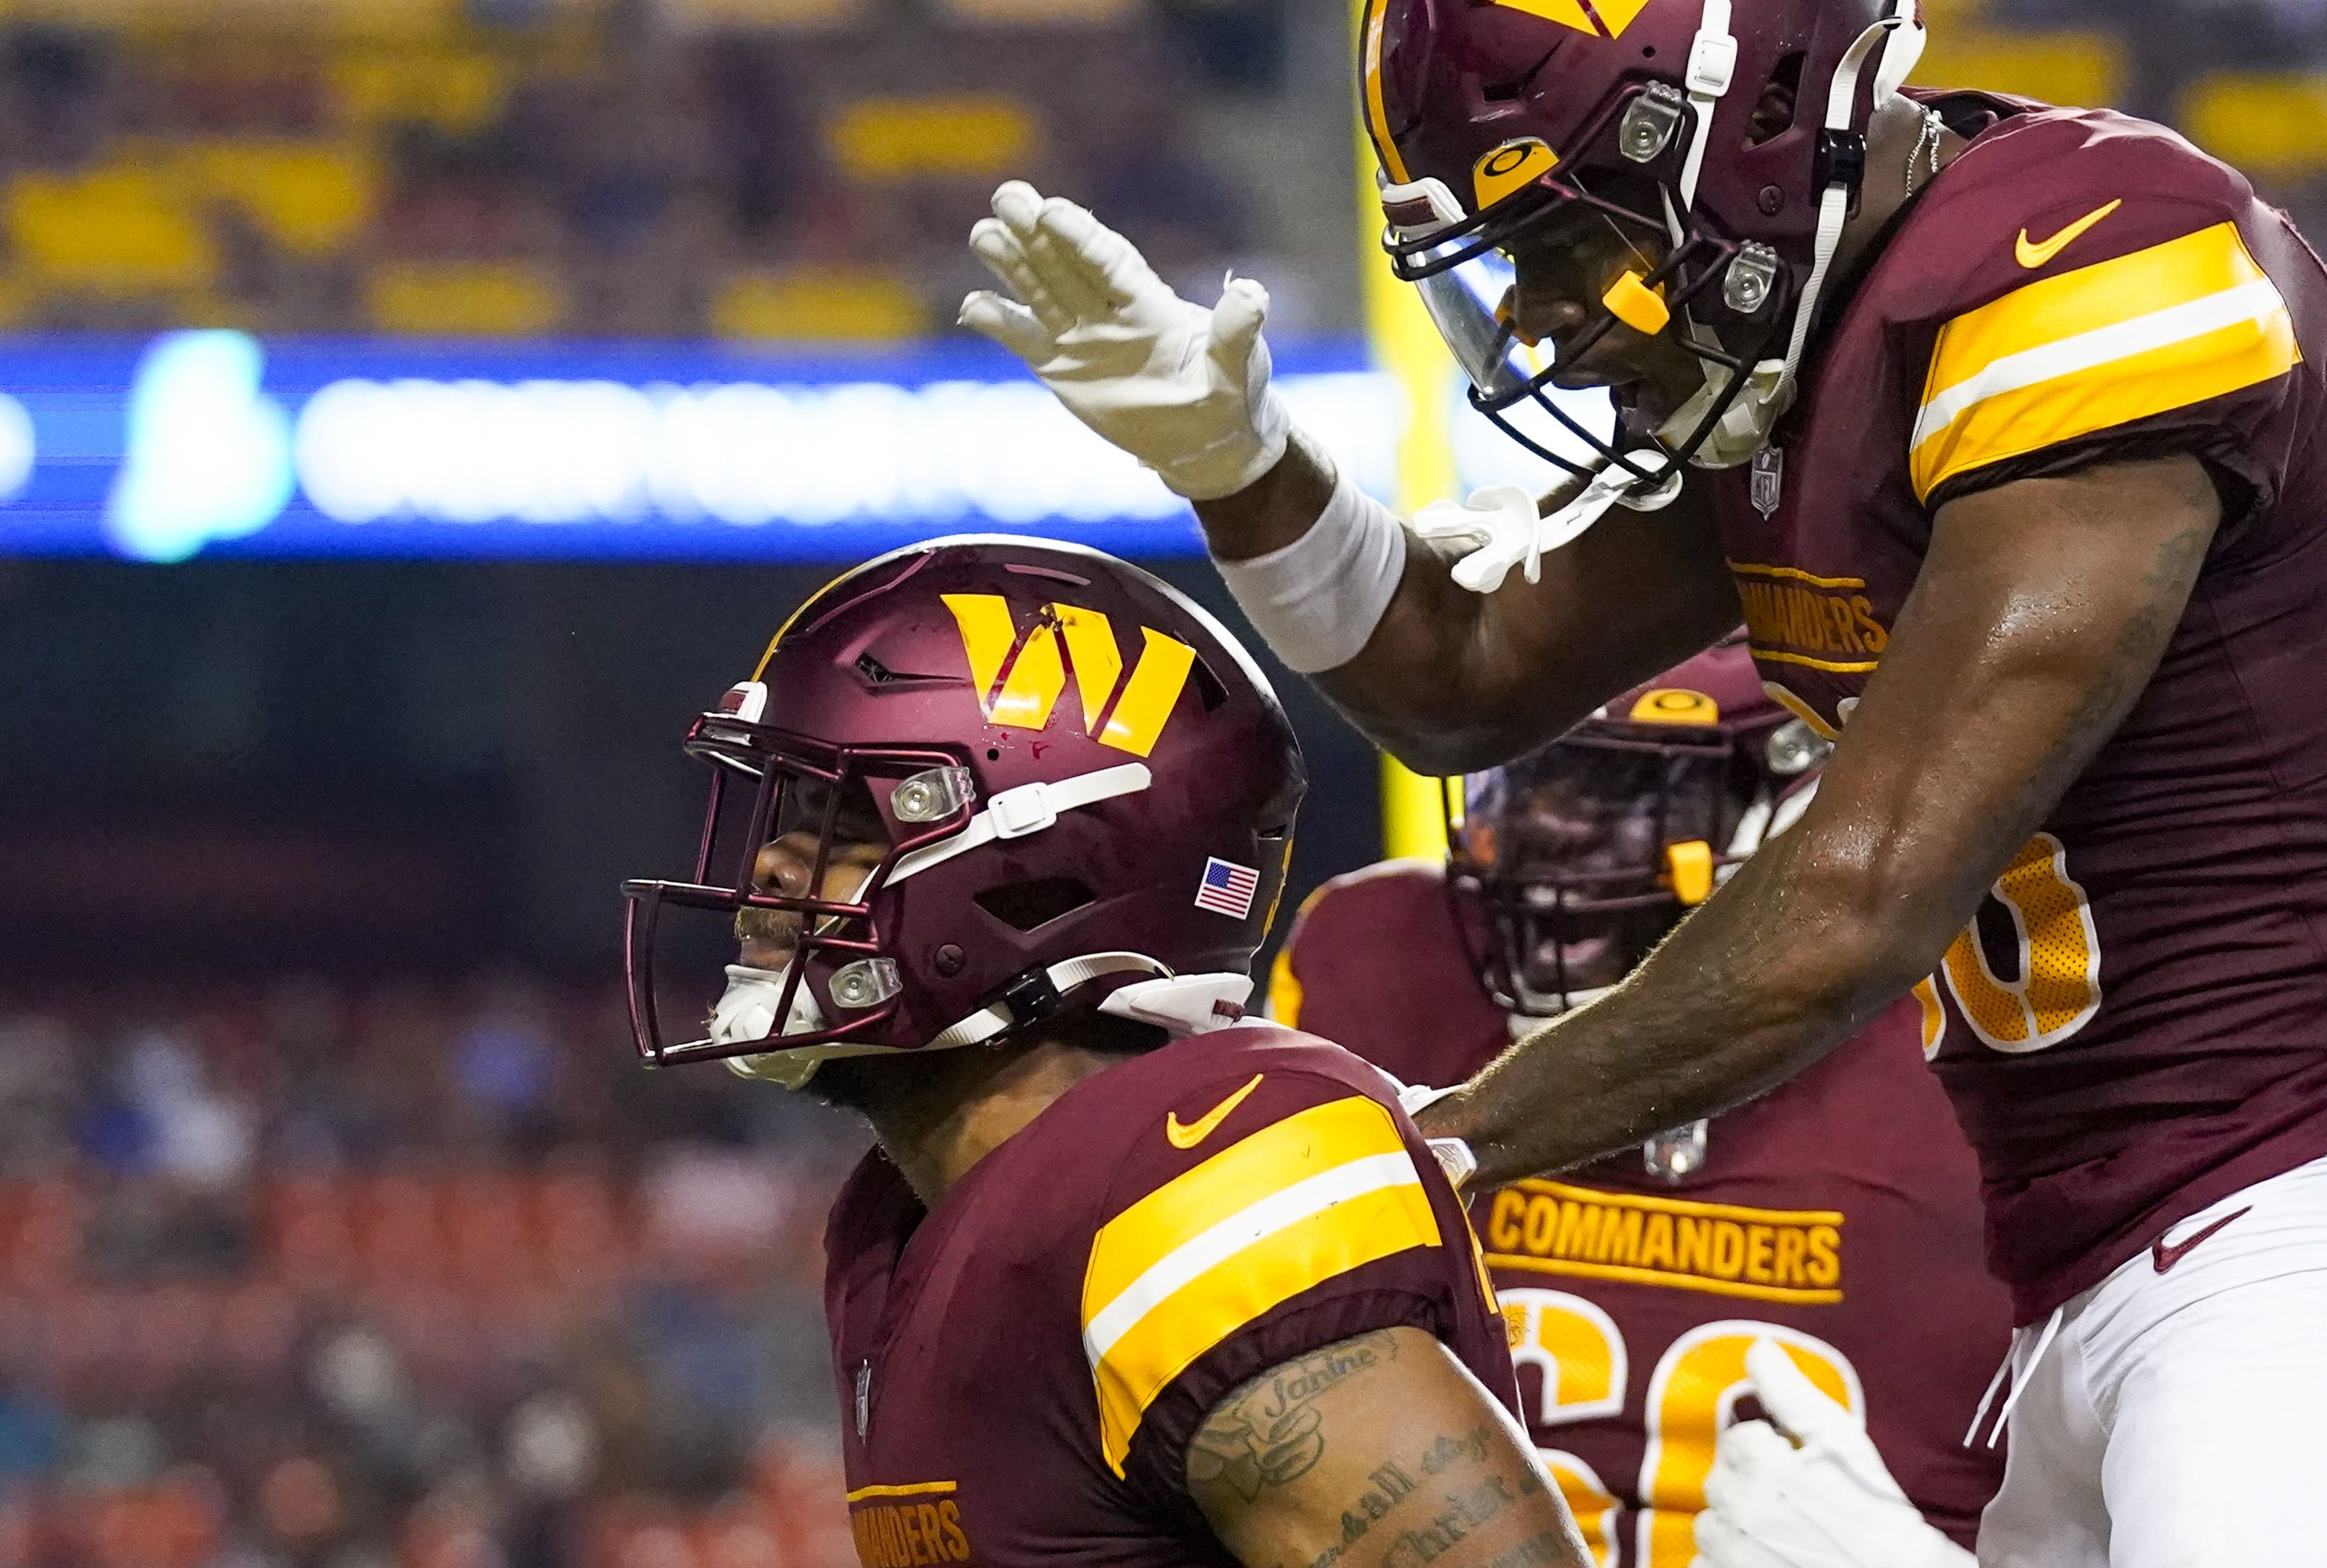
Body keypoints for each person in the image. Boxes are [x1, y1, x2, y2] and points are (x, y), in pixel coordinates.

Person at [958, 2, 2327, 1558]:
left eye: (1560, 239)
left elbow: (1858, 897)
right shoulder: (1817, 356)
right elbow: (1458, 680)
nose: (1544, 323)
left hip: (2281, 1197)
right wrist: (1238, 461)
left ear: (1731, 133)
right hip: (2108, 1240)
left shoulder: (2084, 259)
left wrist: (1432, 1142)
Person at [621, 536, 1591, 1568]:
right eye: (789, 811)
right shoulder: (895, 1219)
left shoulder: (1188, 1188)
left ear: (1038, 874)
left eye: (846, 820)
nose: (771, 861)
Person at [1269, 639, 2007, 1568]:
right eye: (1524, 778)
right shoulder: (1374, 962)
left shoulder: (1978, 1036)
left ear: (1799, 803)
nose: (1545, 832)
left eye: (1615, 794)